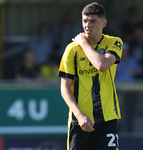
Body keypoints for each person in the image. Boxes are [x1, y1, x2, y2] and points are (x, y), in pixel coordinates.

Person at [58, 2, 123, 150]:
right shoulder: (72, 50)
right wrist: (79, 115)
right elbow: (65, 88)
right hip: (80, 122)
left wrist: (84, 44)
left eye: (93, 21)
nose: (88, 25)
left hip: (107, 119)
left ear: (104, 23)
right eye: (85, 21)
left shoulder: (113, 42)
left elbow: (102, 65)